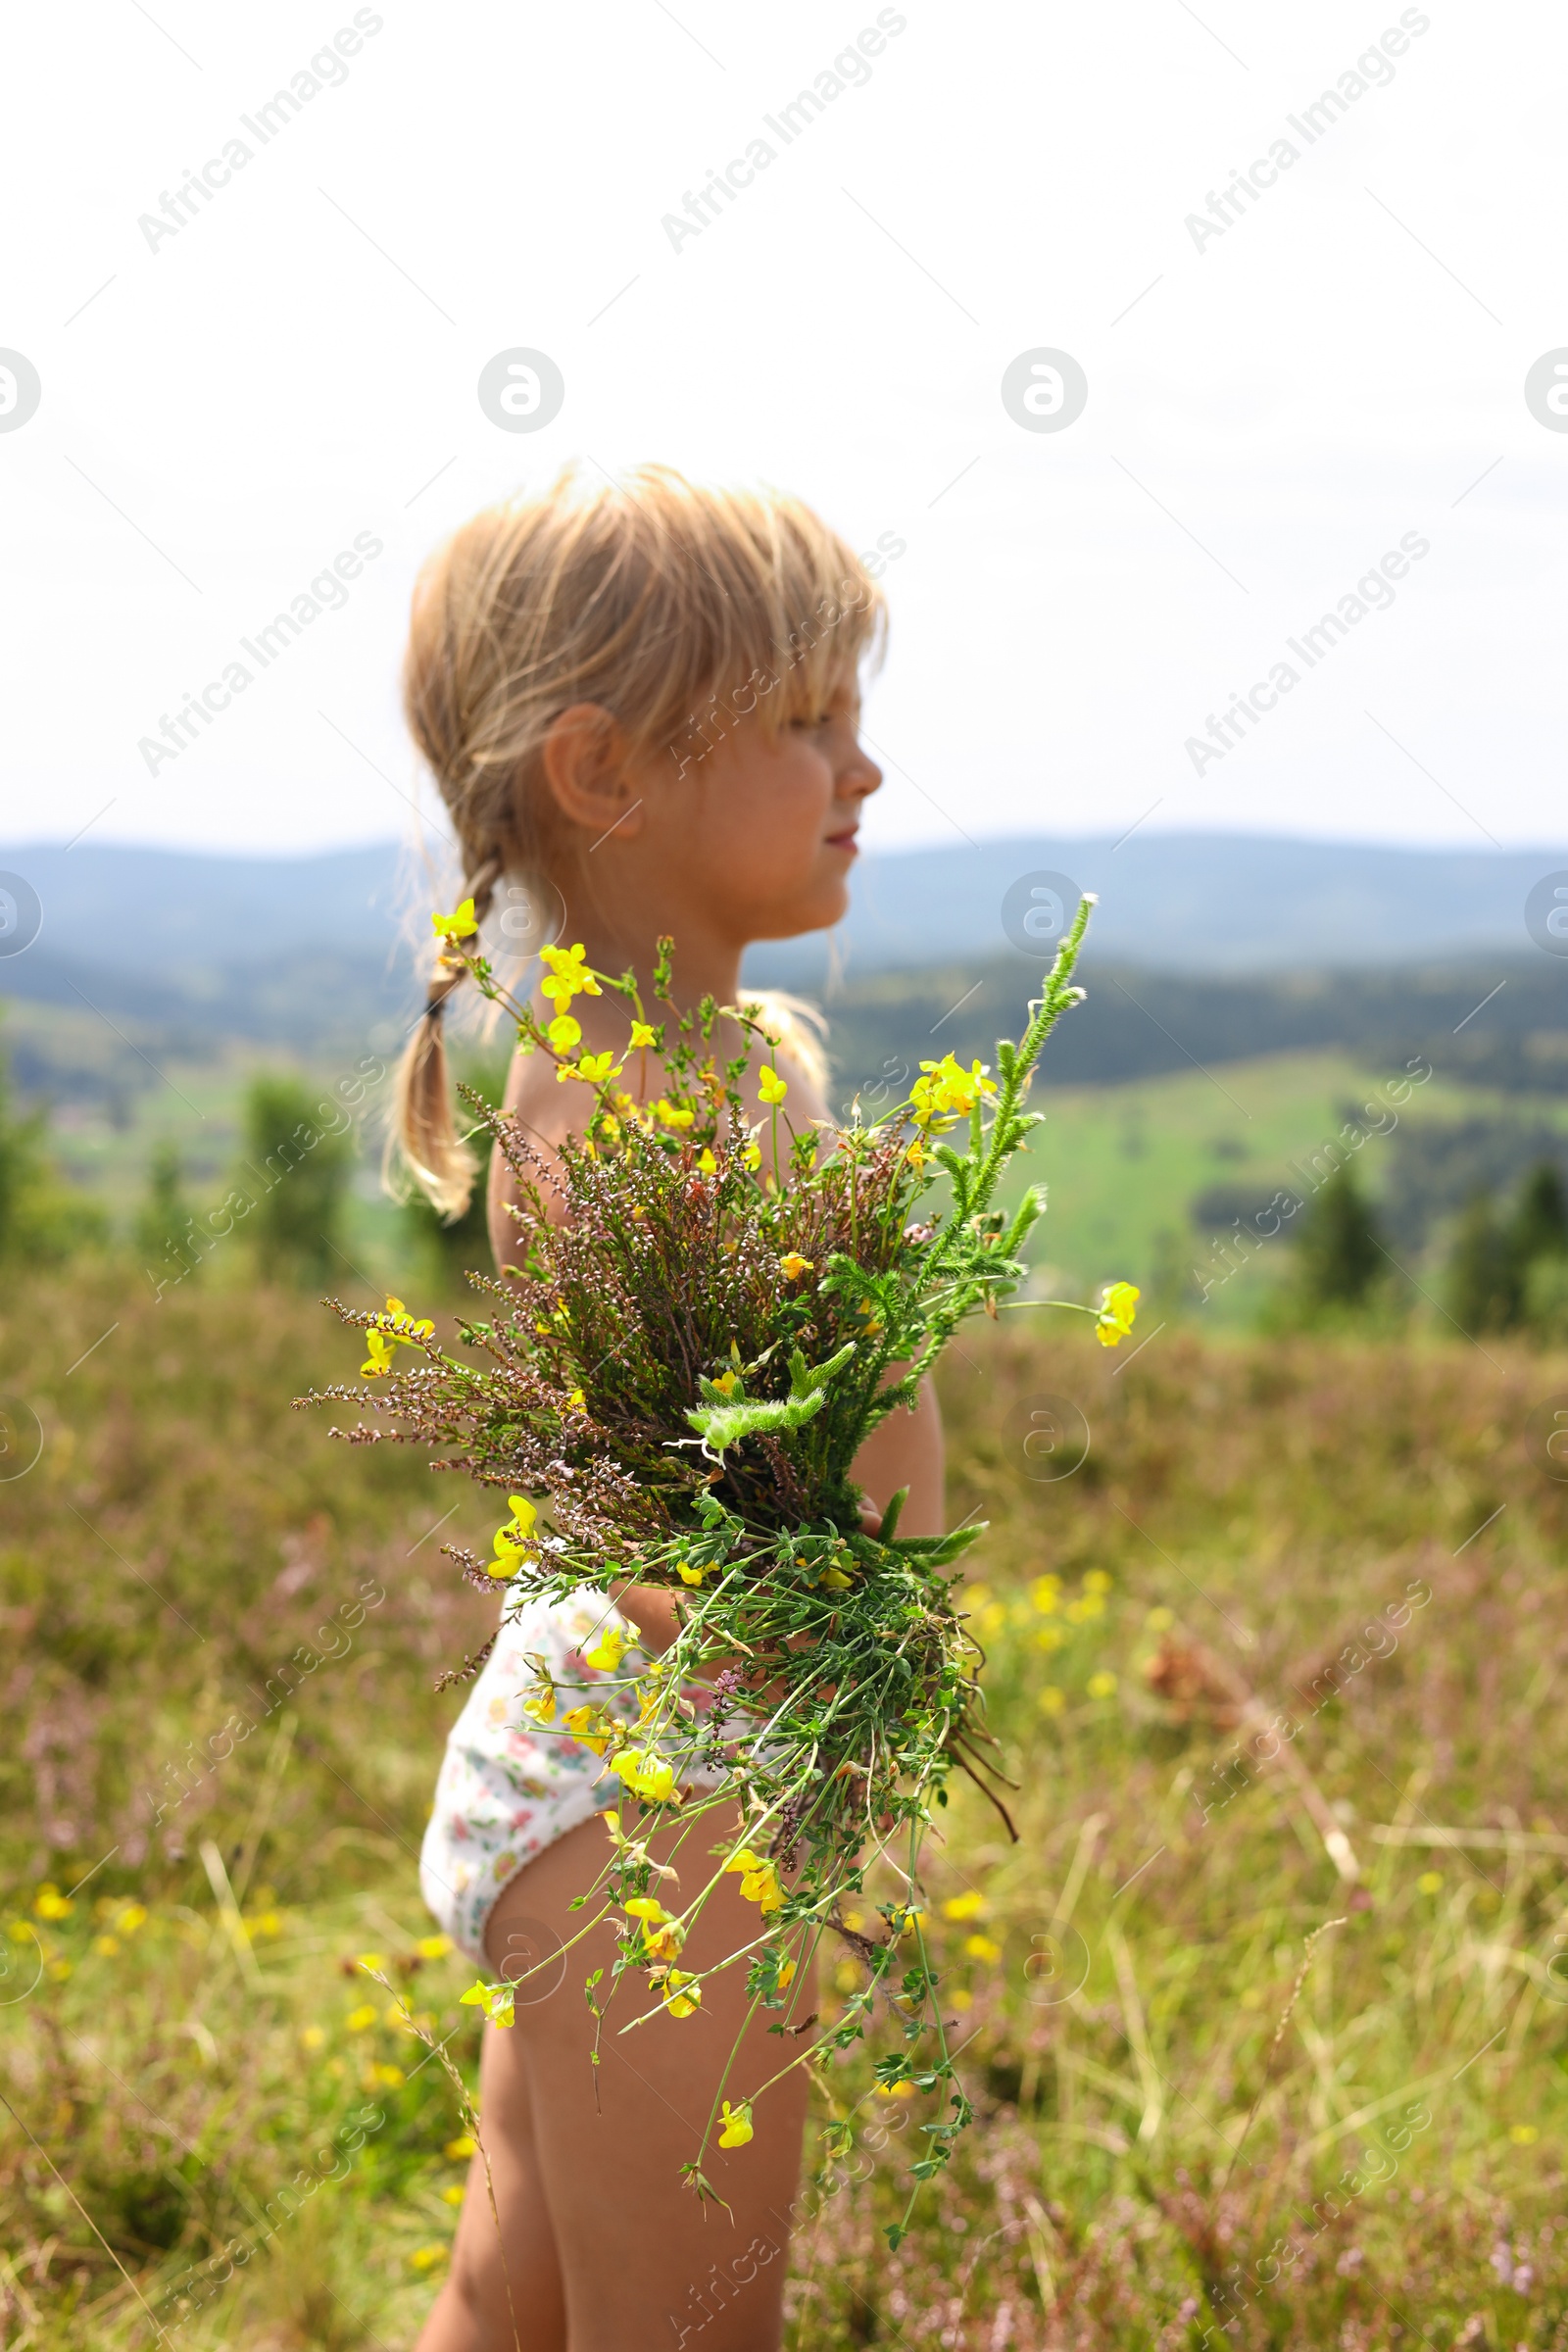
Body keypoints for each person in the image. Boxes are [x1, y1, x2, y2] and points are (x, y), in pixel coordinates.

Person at [393, 465, 944, 2352]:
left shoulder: (712, 1061)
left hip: (625, 1771)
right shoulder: (617, 1103)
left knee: (517, 2285)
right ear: (606, 773)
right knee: (694, 2323)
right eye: (806, 722)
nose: (861, 768)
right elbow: (650, 1511)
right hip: (668, 1795)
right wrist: (821, 1687)